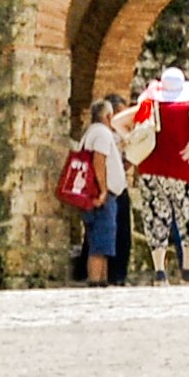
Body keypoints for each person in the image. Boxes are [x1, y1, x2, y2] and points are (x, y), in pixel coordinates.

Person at [127, 66, 189, 285]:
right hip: (180, 170)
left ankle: (160, 272)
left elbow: (118, 121)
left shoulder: (148, 107)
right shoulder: (187, 109)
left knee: (156, 219)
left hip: (150, 171)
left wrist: (131, 139)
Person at [69, 90, 132, 285]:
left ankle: (102, 279)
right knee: (100, 241)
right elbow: (99, 161)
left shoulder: (94, 132)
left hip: (104, 194)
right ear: (108, 116)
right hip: (102, 195)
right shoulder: (102, 134)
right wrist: (104, 190)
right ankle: (96, 280)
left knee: (104, 241)